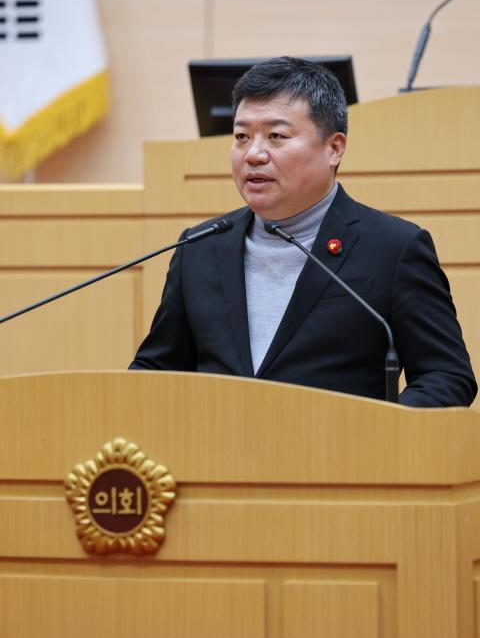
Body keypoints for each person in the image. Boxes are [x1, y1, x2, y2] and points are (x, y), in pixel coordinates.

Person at [130, 56, 477, 408]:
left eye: (276, 136)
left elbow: (446, 376)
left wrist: (379, 432)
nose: (253, 154)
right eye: (241, 137)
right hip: (215, 444)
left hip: (341, 444)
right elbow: (156, 368)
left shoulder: (393, 248)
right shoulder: (199, 247)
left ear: (334, 148)